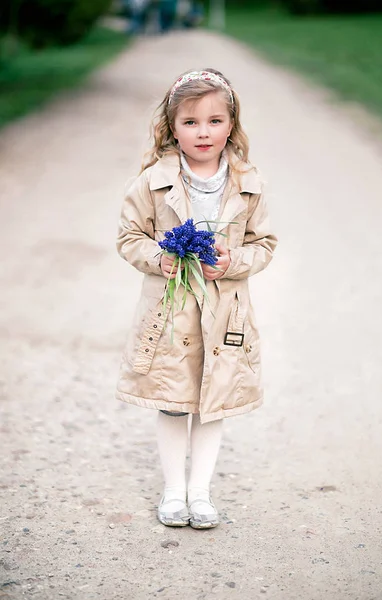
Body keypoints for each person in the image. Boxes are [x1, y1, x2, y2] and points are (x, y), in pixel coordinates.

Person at [116, 69, 278, 529]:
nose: (203, 132)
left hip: (225, 310)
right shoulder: (152, 181)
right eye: (190, 122)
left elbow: (264, 244)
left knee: (214, 401)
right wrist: (158, 258)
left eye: (214, 120)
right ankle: (173, 492)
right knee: (172, 398)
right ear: (172, 128)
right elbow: (129, 237)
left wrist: (231, 262)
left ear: (231, 123)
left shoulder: (249, 182)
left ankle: (200, 493)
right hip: (171, 310)